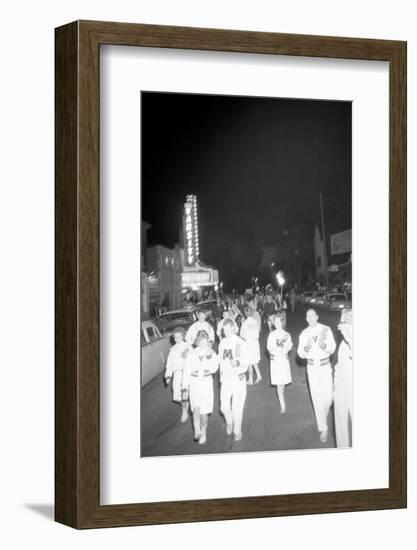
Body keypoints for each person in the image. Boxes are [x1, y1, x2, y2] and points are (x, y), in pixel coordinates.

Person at [297, 308, 336, 443]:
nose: (310, 318)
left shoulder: (326, 329)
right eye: (308, 316)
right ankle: (323, 428)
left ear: (317, 317)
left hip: (325, 367)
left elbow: (332, 348)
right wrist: (307, 347)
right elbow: (300, 354)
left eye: (312, 316)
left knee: (329, 398)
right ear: (306, 319)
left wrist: (323, 345)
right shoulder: (304, 334)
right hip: (312, 368)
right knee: (317, 399)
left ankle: (322, 416)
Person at [181, 330, 219, 444]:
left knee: (204, 412)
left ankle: (204, 432)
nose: (203, 344)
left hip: (206, 384)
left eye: (205, 342)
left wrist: (209, 357)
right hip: (194, 383)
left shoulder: (211, 353)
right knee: (196, 408)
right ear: (197, 342)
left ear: (208, 342)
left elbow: (214, 369)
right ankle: (197, 430)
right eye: (201, 342)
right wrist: (184, 388)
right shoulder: (192, 353)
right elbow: (186, 371)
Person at [218, 318, 250, 441]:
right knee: (224, 407)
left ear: (232, 328)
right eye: (223, 329)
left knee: (237, 408)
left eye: (227, 329)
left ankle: (237, 430)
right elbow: (220, 360)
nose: (225, 331)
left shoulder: (240, 342)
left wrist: (238, 362)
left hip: (238, 379)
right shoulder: (222, 343)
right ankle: (229, 421)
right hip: (225, 380)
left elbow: (247, 360)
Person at [333, 308, 353, 448]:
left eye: (348, 317)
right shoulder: (343, 343)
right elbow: (339, 365)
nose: (344, 320)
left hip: (354, 385)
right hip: (341, 385)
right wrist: (336, 384)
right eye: (343, 318)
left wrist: (350, 336)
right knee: (340, 419)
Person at [267, 312, 293, 413]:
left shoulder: (287, 334)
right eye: (275, 321)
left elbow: (289, 346)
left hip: (283, 360)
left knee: (283, 382)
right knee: (278, 383)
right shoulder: (271, 335)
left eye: (279, 321)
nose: (277, 323)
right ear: (274, 323)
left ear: (282, 323)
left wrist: (285, 347)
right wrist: (277, 345)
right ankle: (282, 404)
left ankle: (282, 398)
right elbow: (269, 348)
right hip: (276, 361)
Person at [164, 327, 191, 423]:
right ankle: (186, 404)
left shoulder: (187, 346)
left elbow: (191, 360)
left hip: (185, 374)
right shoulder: (173, 349)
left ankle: (184, 411)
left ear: (183, 337)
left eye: (179, 336)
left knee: (184, 394)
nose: (177, 338)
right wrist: (168, 375)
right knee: (177, 397)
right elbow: (169, 363)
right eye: (175, 337)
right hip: (176, 374)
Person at [240, 307, 262, 384]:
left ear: (246, 314)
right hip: (255, 343)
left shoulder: (245, 323)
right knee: (254, 360)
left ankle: (250, 379)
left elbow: (242, 335)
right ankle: (258, 375)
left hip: (248, 343)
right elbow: (258, 331)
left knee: (249, 362)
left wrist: (242, 323)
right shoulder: (256, 322)